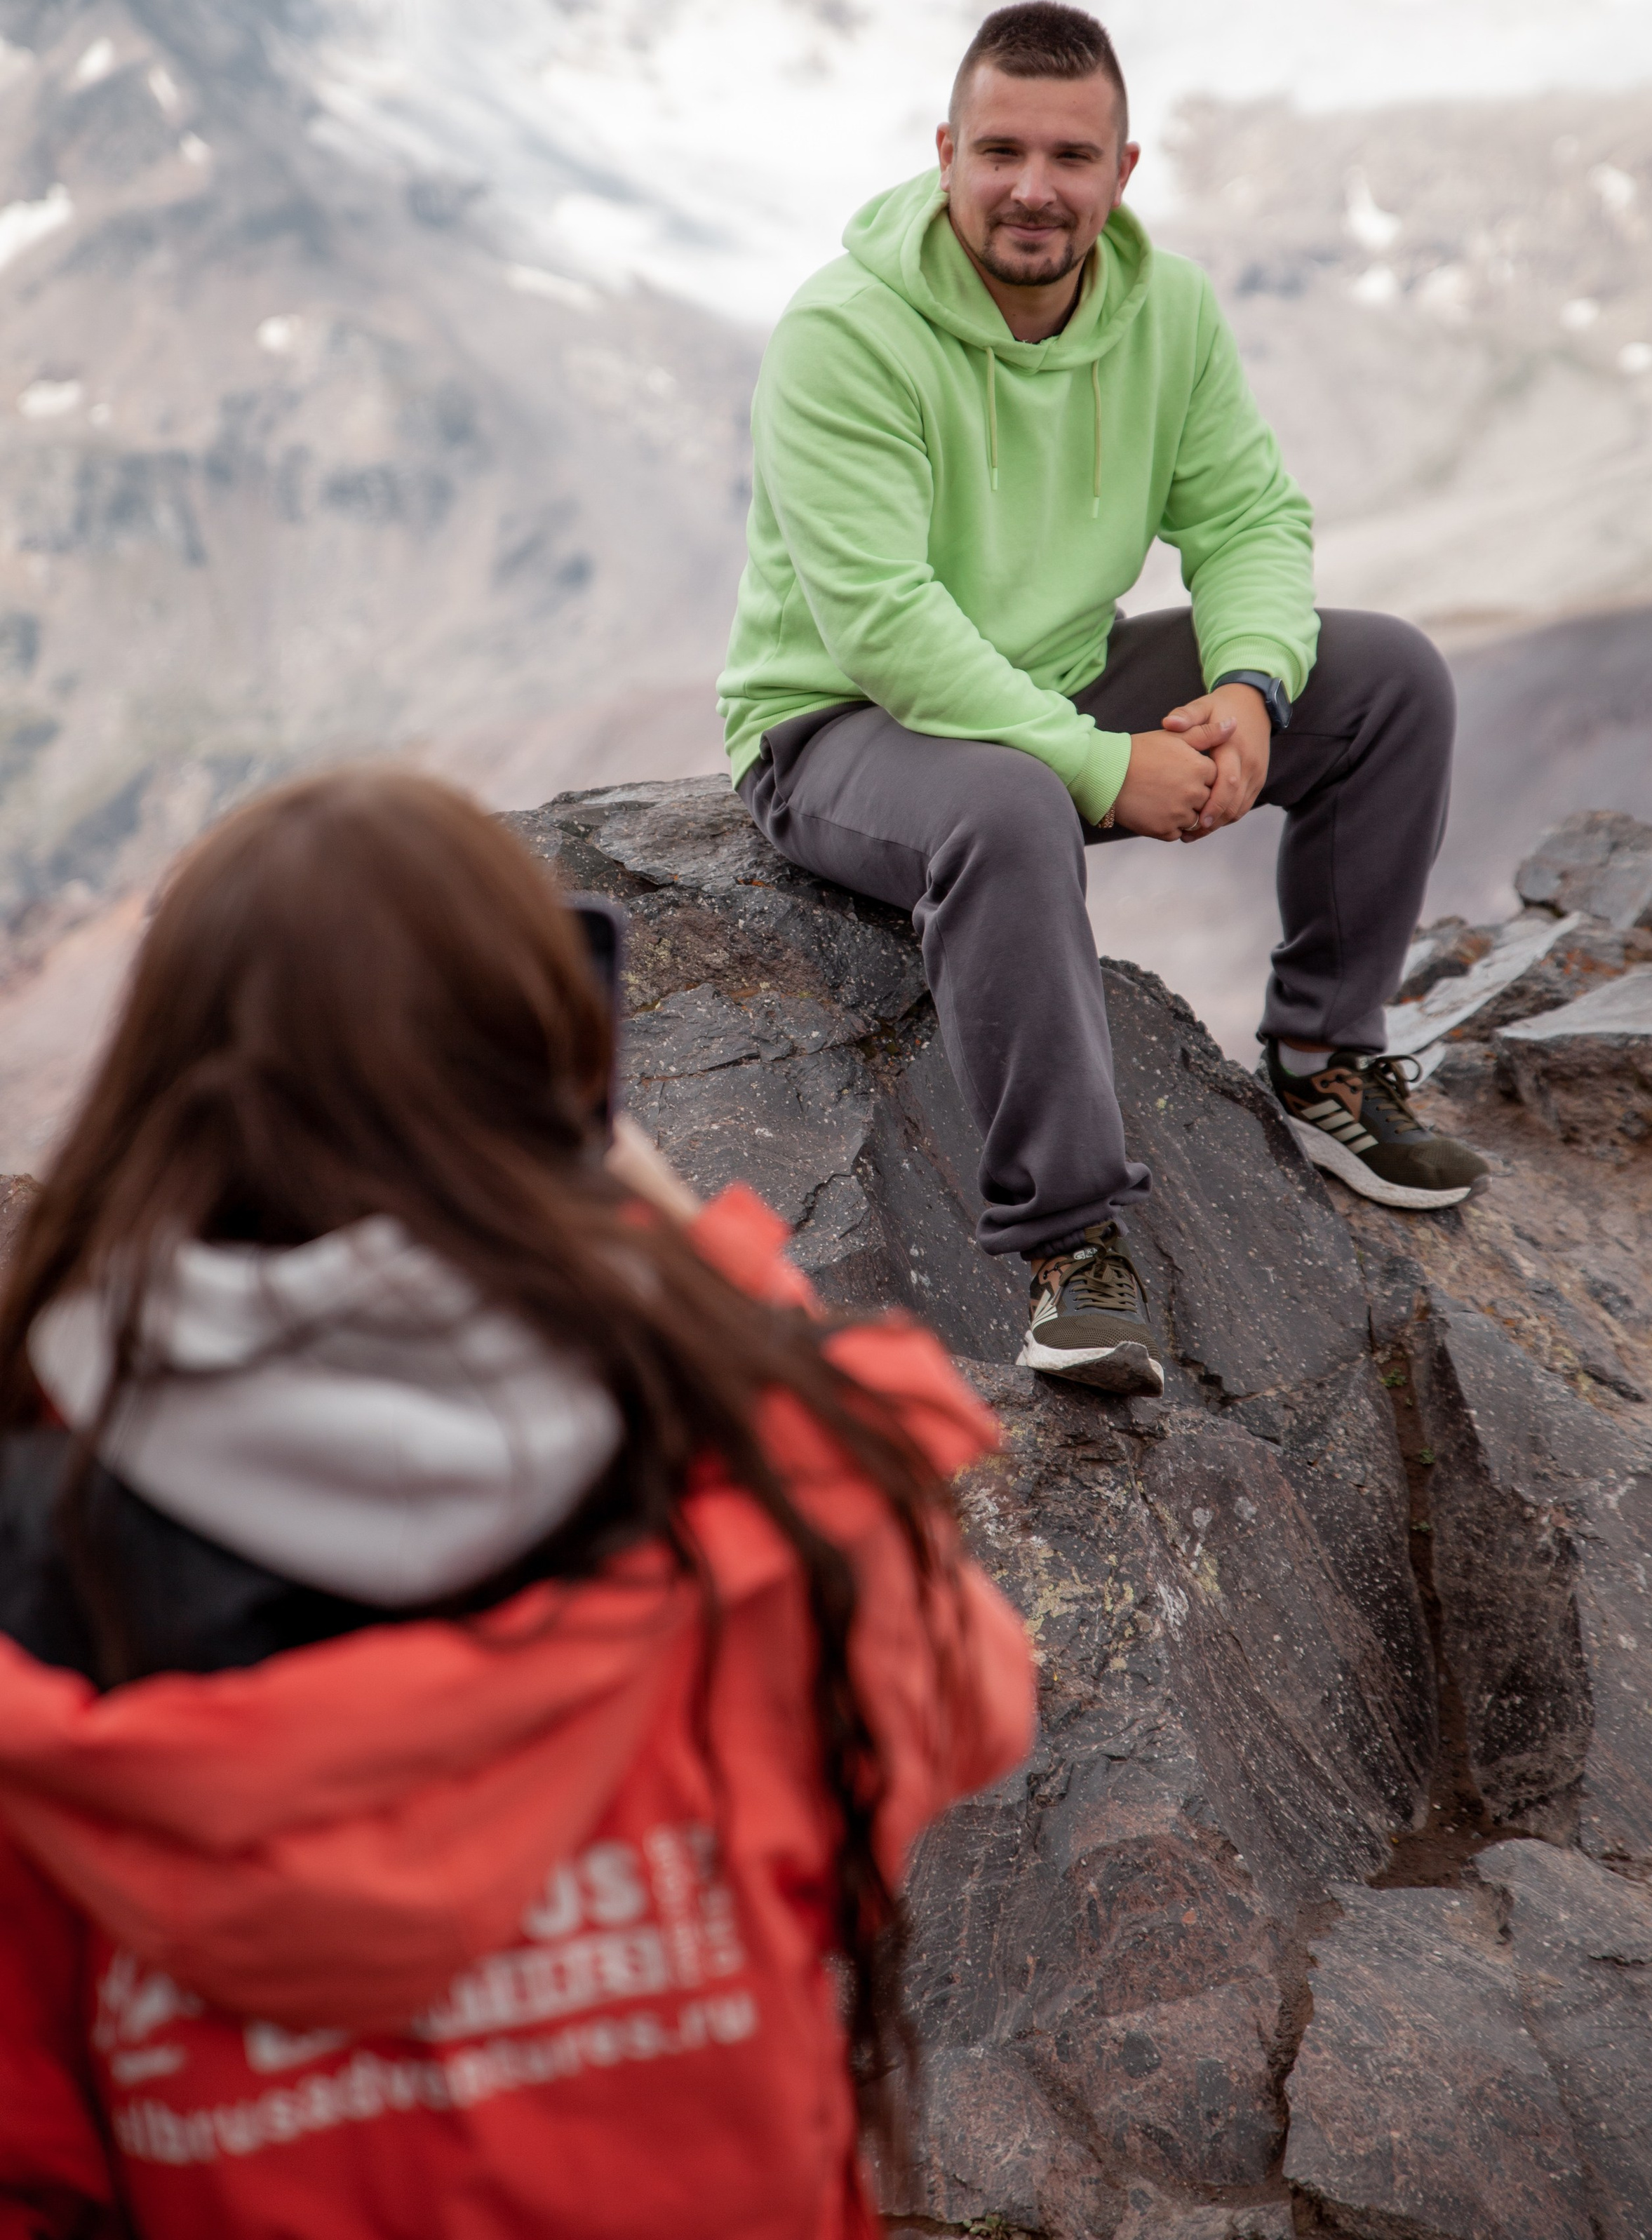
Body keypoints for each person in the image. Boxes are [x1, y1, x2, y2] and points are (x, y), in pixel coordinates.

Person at [0, 770, 1035, 2240]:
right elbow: (975, 1690)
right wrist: (682, 1251)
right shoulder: (756, 1507)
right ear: (554, 1091)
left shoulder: (40, 1576)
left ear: (161, 1097)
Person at [720, 0, 1489, 1400]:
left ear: (1122, 172)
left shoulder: (1165, 310)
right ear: (944, 152)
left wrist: (1250, 689)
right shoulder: (845, 333)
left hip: (1058, 677)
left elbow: (1249, 519)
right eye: (999, 149)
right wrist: (1097, 766)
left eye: (1070, 156)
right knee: (1011, 803)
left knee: (1382, 680)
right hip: (837, 726)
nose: (1033, 187)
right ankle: (1069, 1249)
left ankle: (1324, 1059)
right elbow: (885, 627)